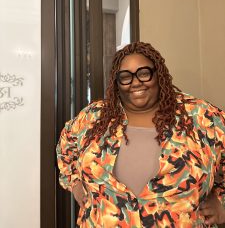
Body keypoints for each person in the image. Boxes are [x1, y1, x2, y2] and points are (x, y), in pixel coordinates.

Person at [56, 41, 225, 227]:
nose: (136, 82)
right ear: (117, 82)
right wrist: (75, 184)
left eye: (144, 73)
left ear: (158, 74)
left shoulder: (201, 117)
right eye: (126, 77)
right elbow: (65, 147)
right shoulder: (93, 118)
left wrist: (221, 203)